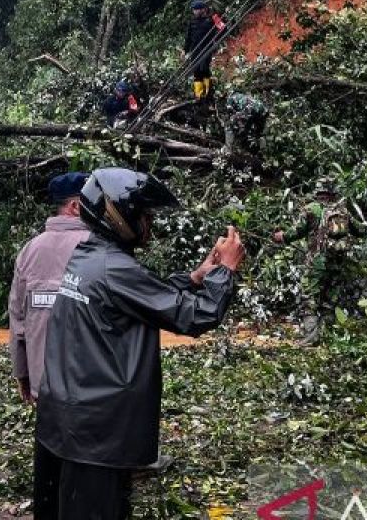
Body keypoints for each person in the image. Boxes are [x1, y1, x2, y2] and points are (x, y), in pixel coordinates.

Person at [34, 168, 244, 519]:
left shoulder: (89, 256)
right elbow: (196, 316)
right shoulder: (114, 268)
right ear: (120, 216)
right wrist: (226, 271)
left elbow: (143, 293)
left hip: (66, 418)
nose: (151, 224)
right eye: (146, 215)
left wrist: (196, 277)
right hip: (95, 433)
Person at [8, 172, 91, 404]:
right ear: (75, 206)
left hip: (43, 387)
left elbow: (18, 321)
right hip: (92, 390)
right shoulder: (99, 247)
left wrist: (22, 374)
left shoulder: (29, 251)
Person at [272, 177, 366, 345]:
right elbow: (360, 230)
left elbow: (297, 231)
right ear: (333, 192)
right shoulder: (343, 210)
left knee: (309, 298)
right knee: (330, 299)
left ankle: (311, 336)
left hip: (317, 262)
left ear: (318, 191)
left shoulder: (312, 209)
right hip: (337, 262)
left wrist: (281, 237)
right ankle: (329, 334)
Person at [183, 0, 223, 101]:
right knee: (196, 72)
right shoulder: (192, 22)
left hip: (206, 49)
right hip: (195, 50)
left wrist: (215, 41)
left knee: (204, 70)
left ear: (203, 10)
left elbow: (223, 28)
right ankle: (198, 95)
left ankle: (208, 93)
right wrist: (185, 50)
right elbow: (188, 38)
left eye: (196, 10)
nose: (195, 12)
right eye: (194, 10)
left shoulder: (211, 19)